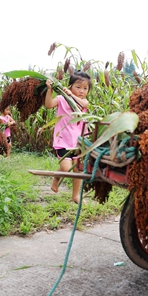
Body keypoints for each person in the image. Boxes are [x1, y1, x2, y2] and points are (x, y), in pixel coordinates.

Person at [45, 71, 91, 203]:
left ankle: (75, 195)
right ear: (69, 86)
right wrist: (50, 90)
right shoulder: (61, 99)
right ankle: (57, 177)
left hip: (78, 142)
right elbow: (48, 105)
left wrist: (71, 95)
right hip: (62, 140)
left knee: (77, 169)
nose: (81, 91)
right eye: (78, 87)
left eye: (85, 88)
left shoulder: (83, 103)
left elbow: (84, 104)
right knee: (66, 168)